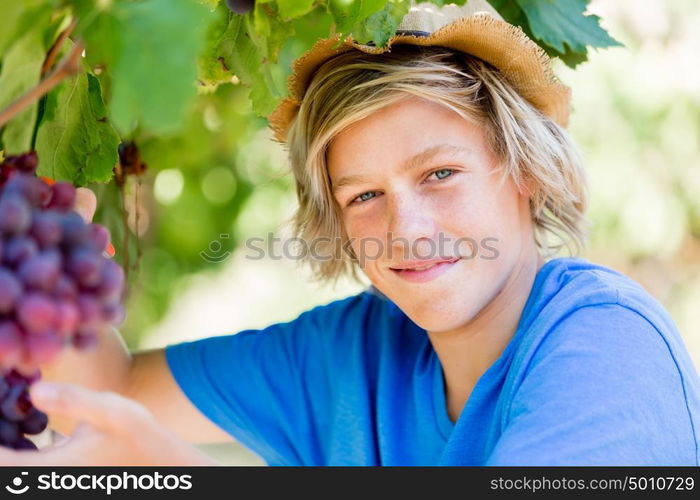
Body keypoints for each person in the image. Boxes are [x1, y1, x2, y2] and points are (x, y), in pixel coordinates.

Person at [2, 0, 699, 466]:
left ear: (525, 173)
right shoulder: (355, 355)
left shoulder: (606, 343)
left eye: (439, 175)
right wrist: (39, 286)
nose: (406, 228)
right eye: (363, 195)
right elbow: (115, 390)